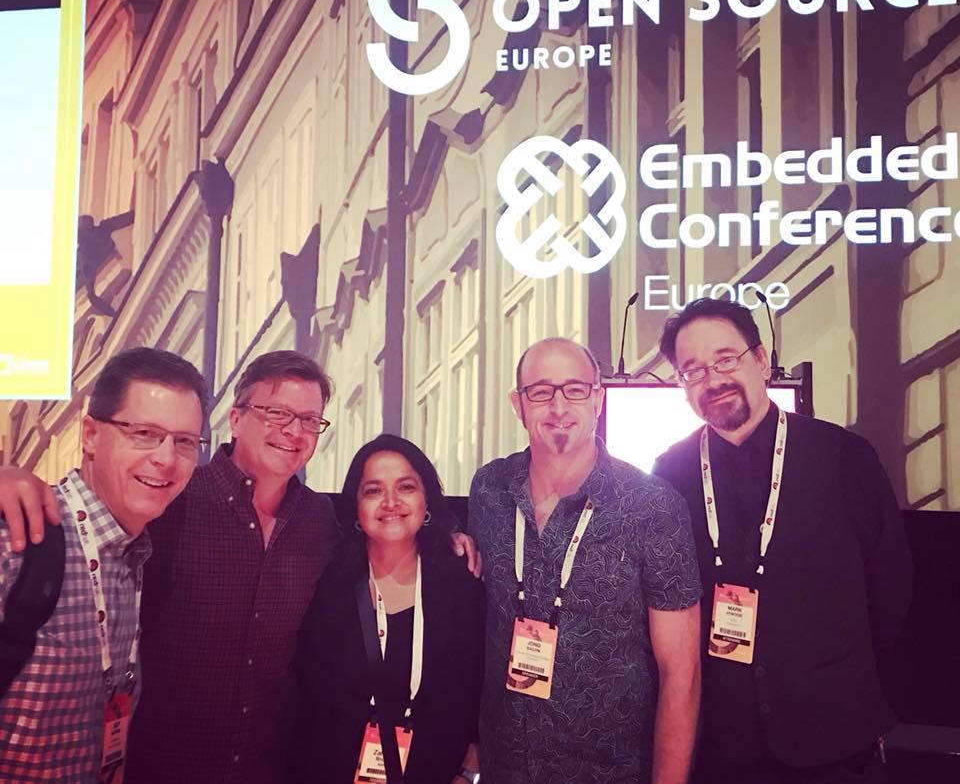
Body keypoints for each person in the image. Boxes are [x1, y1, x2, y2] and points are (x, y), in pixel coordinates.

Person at [0, 350, 481, 784]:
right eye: (276, 413)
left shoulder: (318, 520)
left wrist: (449, 534)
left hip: (265, 768)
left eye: (309, 420)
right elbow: (98, 505)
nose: (293, 431)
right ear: (235, 419)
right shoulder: (171, 498)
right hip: (159, 767)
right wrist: (13, 477)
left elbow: (389, 524)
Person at [652, 298, 913, 784]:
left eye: (726, 359)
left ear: (760, 359)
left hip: (835, 737)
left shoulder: (842, 456)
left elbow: (890, 591)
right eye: (694, 370)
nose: (713, 379)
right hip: (722, 746)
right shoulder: (671, 473)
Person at [468, 337, 701, 784]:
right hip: (506, 768)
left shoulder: (652, 506)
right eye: (541, 391)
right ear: (518, 405)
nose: (559, 406)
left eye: (575, 389)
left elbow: (681, 673)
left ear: (598, 399)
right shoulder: (489, 489)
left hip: (610, 772)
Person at [0, 347, 207, 783]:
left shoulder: (133, 555)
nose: (166, 458)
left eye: (185, 441)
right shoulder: (17, 539)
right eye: (144, 433)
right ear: (91, 435)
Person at [287, 434, 483, 784]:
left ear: (426, 500)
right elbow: (307, 701)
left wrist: (467, 773)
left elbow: (478, 690)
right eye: (373, 490)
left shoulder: (461, 584)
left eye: (406, 487)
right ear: (356, 508)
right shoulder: (326, 586)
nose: (391, 502)